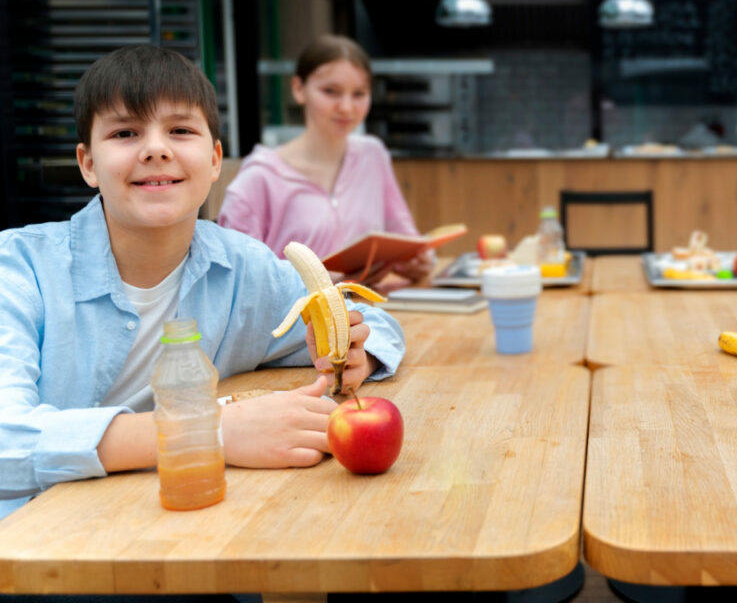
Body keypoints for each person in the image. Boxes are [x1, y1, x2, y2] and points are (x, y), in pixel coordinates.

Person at [0, 45, 405, 521]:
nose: (156, 148)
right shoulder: (18, 268)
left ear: (214, 160)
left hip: (178, 522)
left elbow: (375, 323)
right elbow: (7, 440)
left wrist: (358, 350)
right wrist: (209, 430)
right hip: (39, 552)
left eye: (180, 130)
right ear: (88, 164)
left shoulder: (241, 268)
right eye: (126, 132)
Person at [219, 35, 434, 287]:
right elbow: (239, 283)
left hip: (369, 316)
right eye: (330, 91)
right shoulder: (257, 179)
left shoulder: (372, 155)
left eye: (359, 94)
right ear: (299, 89)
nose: (346, 107)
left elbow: (405, 237)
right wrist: (326, 281)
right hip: (297, 323)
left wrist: (417, 262)